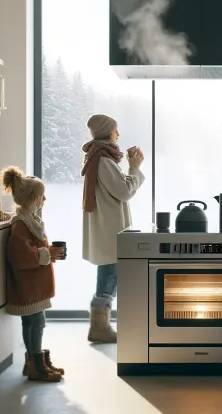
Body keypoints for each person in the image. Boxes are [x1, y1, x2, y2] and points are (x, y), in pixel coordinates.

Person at [82, 114, 145, 344]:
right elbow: (124, 191)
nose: (118, 134)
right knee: (110, 272)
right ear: (108, 132)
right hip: (110, 228)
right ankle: (99, 326)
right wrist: (134, 167)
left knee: (110, 270)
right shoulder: (103, 161)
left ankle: (100, 324)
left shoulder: (99, 158)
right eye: (115, 130)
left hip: (107, 226)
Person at [1, 166, 65, 383]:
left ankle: (35, 361)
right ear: (31, 198)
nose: (44, 199)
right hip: (29, 286)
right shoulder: (21, 224)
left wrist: (47, 254)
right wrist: (46, 254)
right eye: (41, 196)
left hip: (33, 284)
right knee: (36, 322)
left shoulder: (31, 221)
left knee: (33, 322)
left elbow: (33, 250)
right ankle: (36, 362)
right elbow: (20, 254)